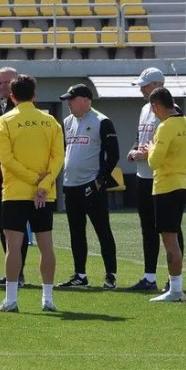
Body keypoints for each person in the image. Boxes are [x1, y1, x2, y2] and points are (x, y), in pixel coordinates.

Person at [0, 74, 64, 313]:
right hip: (44, 193)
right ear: (34, 95)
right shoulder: (51, 122)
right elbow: (58, 157)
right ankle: (47, 299)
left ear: (12, 97)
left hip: (15, 192)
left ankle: (11, 299)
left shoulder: (4, 121)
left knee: (13, 246)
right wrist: (44, 183)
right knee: (46, 245)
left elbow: (6, 159)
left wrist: (34, 180)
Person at [126, 68, 184, 292]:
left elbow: (173, 148)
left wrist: (146, 154)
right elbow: (140, 137)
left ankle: (174, 279)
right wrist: (134, 150)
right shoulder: (145, 109)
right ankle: (149, 277)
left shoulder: (173, 112)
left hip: (163, 179)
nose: (142, 89)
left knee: (172, 230)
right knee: (147, 228)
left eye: (145, 85)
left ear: (159, 85)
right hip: (143, 176)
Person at [57, 84, 120, 289]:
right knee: (76, 232)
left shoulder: (102, 121)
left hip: (92, 186)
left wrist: (100, 180)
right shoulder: (67, 122)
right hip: (70, 186)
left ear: (85, 100)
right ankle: (80, 275)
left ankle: (110, 275)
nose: (68, 103)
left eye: (72, 99)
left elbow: (114, 155)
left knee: (102, 230)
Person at [142, 87, 186, 302]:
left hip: (166, 186)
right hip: (183, 183)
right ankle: (175, 289)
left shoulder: (165, 127)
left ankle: (175, 290)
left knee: (170, 240)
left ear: (156, 106)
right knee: (172, 237)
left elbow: (153, 162)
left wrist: (151, 148)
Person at [0, 67, 32, 288]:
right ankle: (13, 273)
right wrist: (0, 138)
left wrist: (2, 138)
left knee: (19, 227)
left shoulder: (24, 108)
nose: (2, 87)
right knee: (4, 227)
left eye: (6, 82)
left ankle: (19, 274)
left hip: (20, 175)